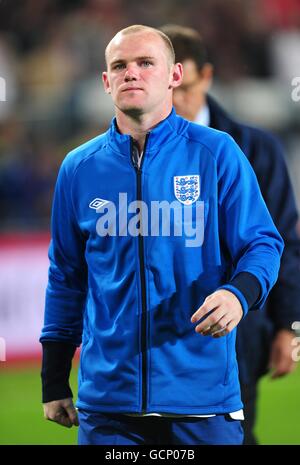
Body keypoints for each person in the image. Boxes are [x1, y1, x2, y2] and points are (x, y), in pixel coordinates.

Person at [40, 25, 284, 446]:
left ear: (174, 75)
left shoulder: (217, 152)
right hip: (107, 407)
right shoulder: (78, 168)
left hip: (203, 403)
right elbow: (66, 276)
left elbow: (263, 243)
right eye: (119, 66)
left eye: (145, 63)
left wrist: (238, 294)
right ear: (106, 81)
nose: (131, 73)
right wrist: (54, 378)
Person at [160, 24, 300, 445]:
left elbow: (283, 243)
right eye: (171, 89)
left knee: (229, 434)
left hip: (240, 329)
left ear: (207, 76)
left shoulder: (256, 149)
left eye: (186, 89)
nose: (177, 101)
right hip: (161, 329)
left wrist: (288, 325)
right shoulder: (131, 151)